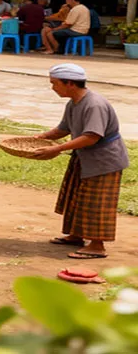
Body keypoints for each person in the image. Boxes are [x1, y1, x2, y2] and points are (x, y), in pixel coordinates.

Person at [31, 64, 129, 259]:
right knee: (76, 196)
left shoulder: (94, 104)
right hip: (84, 157)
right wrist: (40, 138)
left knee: (96, 202)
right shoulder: (73, 103)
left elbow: (91, 137)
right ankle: (76, 236)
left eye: (54, 84)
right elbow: (63, 129)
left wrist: (56, 148)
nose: (53, 88)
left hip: (104, 160)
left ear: (69, 83)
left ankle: (97, 246)